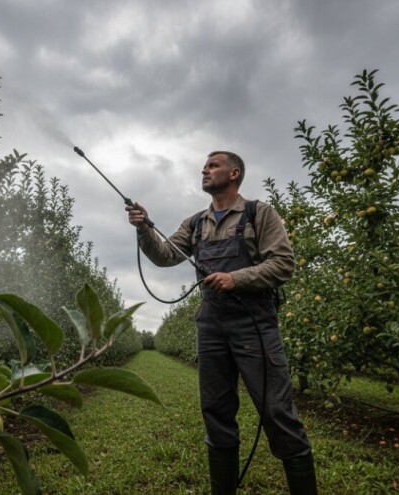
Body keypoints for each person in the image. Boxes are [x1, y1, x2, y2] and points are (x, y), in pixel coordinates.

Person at [126, 151, 317, 495]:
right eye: (204, 165)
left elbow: (284, 263)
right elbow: (166, 255)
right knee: (215, 412)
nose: (205, 169)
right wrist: (144, 229)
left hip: (254, 325)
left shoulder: (260, 214)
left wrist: (236, 278)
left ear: (234, 173)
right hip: (211, 327)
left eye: (213, 165)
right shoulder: (196, 223)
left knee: (277, 413)